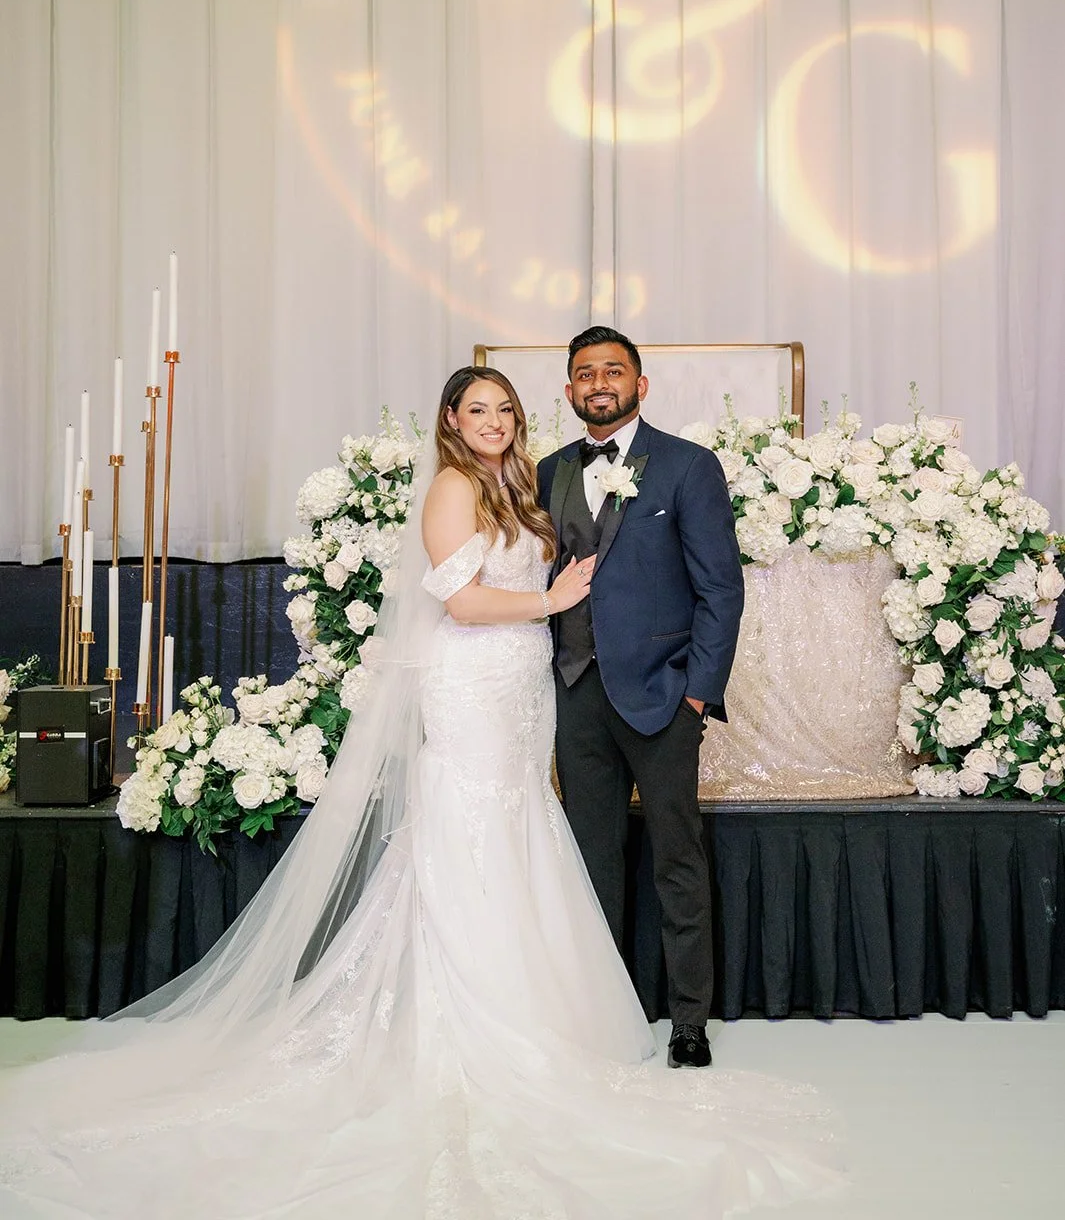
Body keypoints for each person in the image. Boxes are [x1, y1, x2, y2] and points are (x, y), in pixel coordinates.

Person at [0, 367, 839, 1219]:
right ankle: (471, 1021)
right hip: (476, 679)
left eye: (505, 409)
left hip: (540, 688)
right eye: (478, 409)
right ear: (450, 418)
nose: (495, 421)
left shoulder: (532, 479)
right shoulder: (453, 486)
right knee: (473, 827)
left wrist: (689, 684)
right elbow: (460, 600)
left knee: (532, 831)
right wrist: (546, 598)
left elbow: (708, 583)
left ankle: (595, 1013)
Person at [539, 328, 745, 1068]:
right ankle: (604, 1014)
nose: (599, 382)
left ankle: (688, 1019)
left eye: (613, 371)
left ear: (639, 384)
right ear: (568, 391)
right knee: (591, 859)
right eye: (584, 374)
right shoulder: (549, 470)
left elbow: (720, 588)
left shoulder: (688, 466)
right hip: (575, 694)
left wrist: (698, 695)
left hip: (663, 696)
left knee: (675, 859)